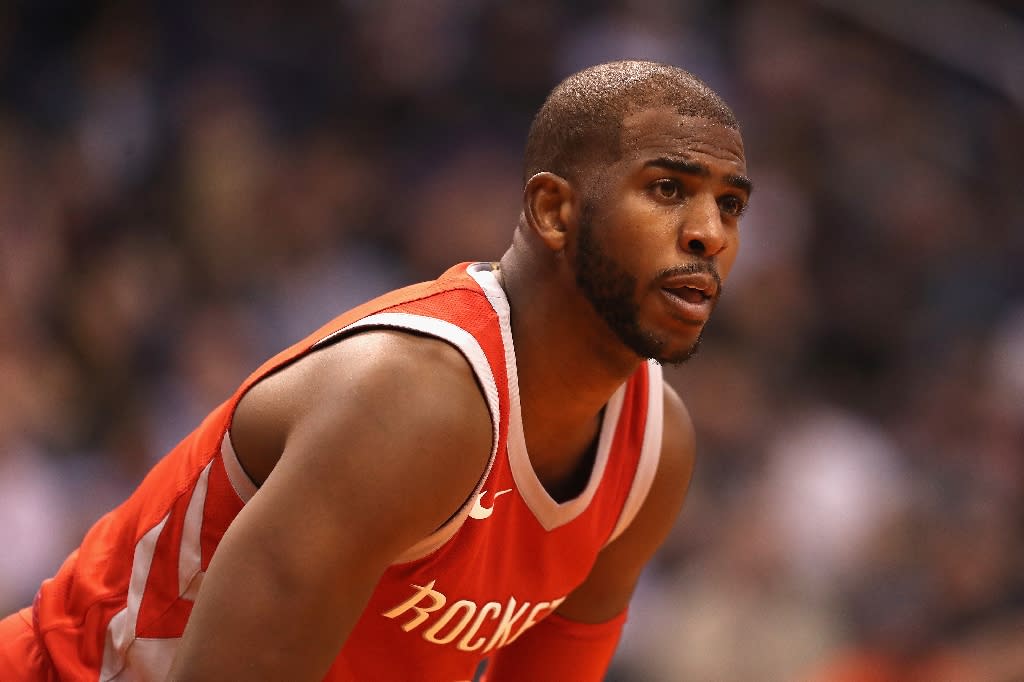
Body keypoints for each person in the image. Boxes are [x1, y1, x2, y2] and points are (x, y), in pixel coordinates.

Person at [0, 59, 752, 681]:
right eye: (668, 190)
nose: (709, 235)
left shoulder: (654, 452)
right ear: (554, 211)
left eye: (730, 205)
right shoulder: (417, 401)